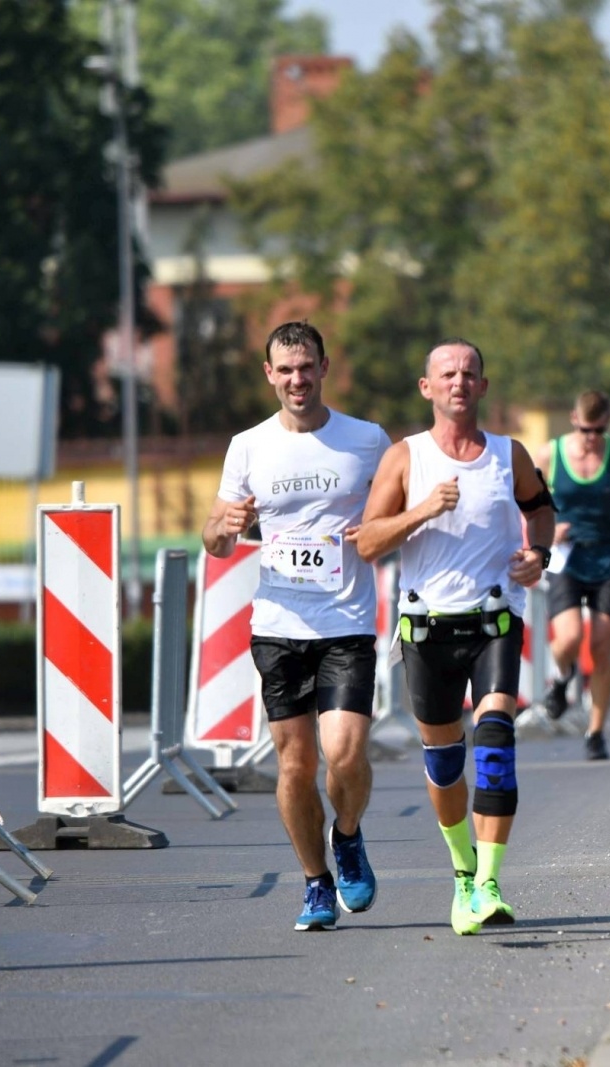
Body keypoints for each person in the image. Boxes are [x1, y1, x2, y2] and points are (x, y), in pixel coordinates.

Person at [355, 338, 555, 936]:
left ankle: (489, 882)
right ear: (427, 388)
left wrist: (537, 553)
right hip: (426, 628)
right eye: (447, 374)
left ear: (484, 387)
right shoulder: (404, 458)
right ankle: (463, 873)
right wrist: (419, 511)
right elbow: (366, 542)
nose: (459, 382)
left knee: (494, 741)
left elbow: (541, 508)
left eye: (470, 373)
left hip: (494, 620)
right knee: (445, 766)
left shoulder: (506, 453)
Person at [202, 321, 390, 932]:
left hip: (347, 621)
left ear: (324, 368)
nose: (296, 379)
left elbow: (393, 518)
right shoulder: (247, 445)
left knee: (346, 751)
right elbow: (215, 542)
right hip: (279, 624)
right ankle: (315, 883)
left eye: (305, 367)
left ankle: (349, 834)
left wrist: (382, 534)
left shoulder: (366, 441)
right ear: (269, 375)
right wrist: (225, 524)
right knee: (294, 766)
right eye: (284, 370)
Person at [533, 391, 610, 761]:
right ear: (572, 419)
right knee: (568, 639)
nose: (592, 437)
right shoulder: (549, 455)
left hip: (607, 557)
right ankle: (563, 677)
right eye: (585, 429)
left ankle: (595, 732)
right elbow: (526, 507)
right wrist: (544, 535)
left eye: (599, 430)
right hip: (566, 558)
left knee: (600, 645)